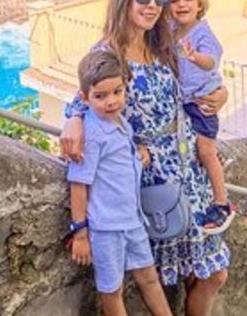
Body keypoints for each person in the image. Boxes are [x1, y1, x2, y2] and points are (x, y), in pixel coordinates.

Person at [61, 0, 230, 316]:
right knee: (172, 277)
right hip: (154, 178)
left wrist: (222, 93)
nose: (152, 5)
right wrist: (73, 120)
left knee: (213, 273)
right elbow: (84, 97)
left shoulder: (163, 44)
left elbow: (199, 80)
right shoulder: (109, 53)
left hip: (189, 170)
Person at [66, 49, 171, 316]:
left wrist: (140, 158)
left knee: (149, 278)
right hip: (106, 227)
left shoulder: (121, 122)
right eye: (100, 96)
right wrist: (80, 233)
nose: (111, 101)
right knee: (112, 291)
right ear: (84, 98)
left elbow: (119, 162)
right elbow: (78, 183)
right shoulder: (91, 133)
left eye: (117, 92)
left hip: (133, 220)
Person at [166, 0, 235, 235]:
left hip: (201, 102)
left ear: (199, 4)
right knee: (194, 151)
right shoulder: (171, 32)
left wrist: (195, 57)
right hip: (185, 102)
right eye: (174, 0)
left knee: (205, 151)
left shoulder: (202, 33)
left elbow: (212, 61)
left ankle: (221, 203)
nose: (181, 4)